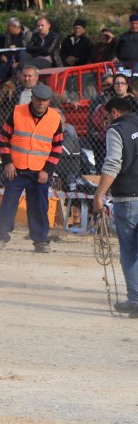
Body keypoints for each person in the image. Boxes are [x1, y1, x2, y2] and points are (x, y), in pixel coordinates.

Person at [0, 84, 63, 253]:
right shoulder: (17, 113)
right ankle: (1, 236)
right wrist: (8, 163)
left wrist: (47, 170)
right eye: (38, 99)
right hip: (16, 169)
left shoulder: (55, 119)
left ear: (49, 102)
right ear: (32, 98)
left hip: (40, 172)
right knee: (8, 204)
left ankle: (40, 241)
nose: (41, 103)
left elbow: (57, 148)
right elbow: (3, 139)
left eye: (45, 101)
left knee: (39, 206)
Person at [94, 97, 138, 316]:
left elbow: (113, 163)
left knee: (129, 252)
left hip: (129, 198)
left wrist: (99, 195)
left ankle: (135, 300)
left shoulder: (117, 130)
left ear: (114, 112)